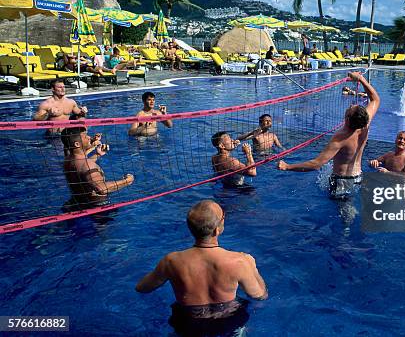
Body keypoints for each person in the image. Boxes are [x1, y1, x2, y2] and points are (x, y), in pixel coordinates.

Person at [136, 200, 267, 336]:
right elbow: (260, 295)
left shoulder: (171, 262)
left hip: (187, 323)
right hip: (229, 320)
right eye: (223, 217)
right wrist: (253, 268)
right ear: (217, 230)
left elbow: (142, 288)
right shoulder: (240, 262)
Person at [277, 72, 380, 199]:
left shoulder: (340, 138)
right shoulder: (365, 124)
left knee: (345, 213)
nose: (352, 104)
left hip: (341, 182)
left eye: (352, 107)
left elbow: (316, 164)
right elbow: (375, 99)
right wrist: (361, 79)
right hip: (358, 176)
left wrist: (287, 167)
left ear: (347, 119)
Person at [61, 126, 134, 209]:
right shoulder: (87, 165)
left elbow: (82, 168)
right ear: (77, 144)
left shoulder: (67, 160)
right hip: (97, 208)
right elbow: (101, 189)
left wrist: (98, 154)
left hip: (76, 203)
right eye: (85, 136)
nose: (89, 138)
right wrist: (127, 181)